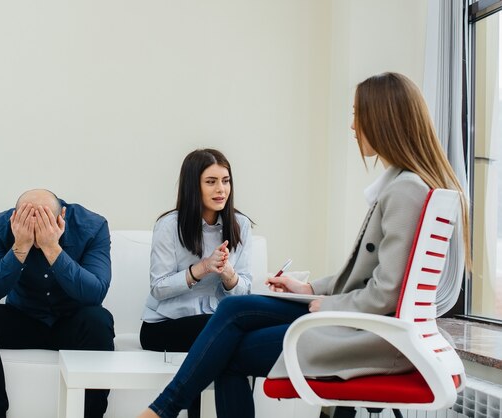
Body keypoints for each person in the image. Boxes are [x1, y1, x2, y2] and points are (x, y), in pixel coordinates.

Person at [137, 72, 471, 418]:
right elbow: (372, 280)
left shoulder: (404, 191)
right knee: (236, 311)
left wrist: (325, 304)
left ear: (382, 120)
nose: (353, 127)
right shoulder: (407, 187)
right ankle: (162, 410)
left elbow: (385, 294)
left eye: (358, 114)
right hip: (360, 319)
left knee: (229, 350)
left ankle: (162, 410)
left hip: (366, 332)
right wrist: (309, 288)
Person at [0, 189, 114, 418]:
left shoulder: (93, 226)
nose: (36, 232)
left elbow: (95, 294)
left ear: (61, 216)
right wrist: (20, 247)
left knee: (100, 320)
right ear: (15, 217)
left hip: (70, 322)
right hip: (23, 318)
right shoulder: (0, 225)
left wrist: (52, 248)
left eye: (43, 222)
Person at [140, 148, 253, 418]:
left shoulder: (241, 224)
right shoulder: (169, 225)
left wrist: (228, 274)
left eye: (225, 181)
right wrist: (201, 269)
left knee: (226, 344)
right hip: (164, 325)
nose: (221, 189)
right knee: (227, 336)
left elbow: (245, 287)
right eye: (211, 181)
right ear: (194, 185)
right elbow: (159, 287)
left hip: (215, 323)